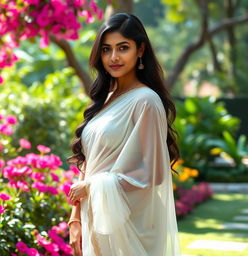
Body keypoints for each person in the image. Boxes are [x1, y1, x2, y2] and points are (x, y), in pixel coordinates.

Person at [67, 13, 181, 256]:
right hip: (96, 218)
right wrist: (74, 218)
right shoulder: (105, 99)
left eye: (123, 48)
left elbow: (154, 172)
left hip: (132, 228)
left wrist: (91, 187)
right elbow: (89, 162)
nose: (113, 57)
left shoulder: (146, 101)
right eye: (106, 49)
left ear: (140, 50)